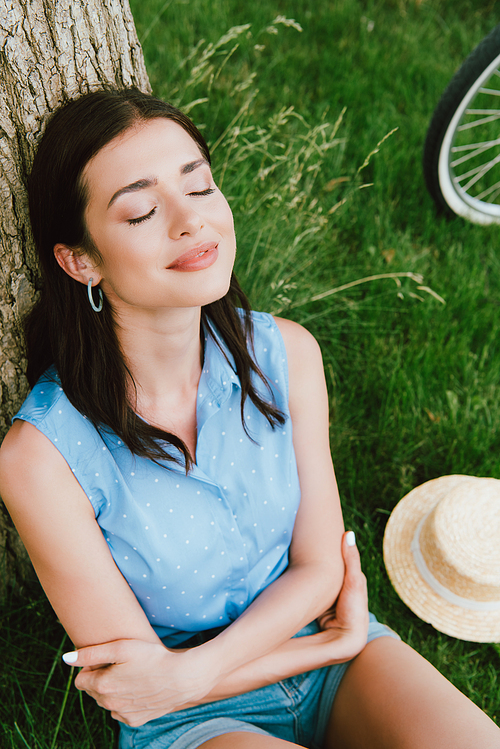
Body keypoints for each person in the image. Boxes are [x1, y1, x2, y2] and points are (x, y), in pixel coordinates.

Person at [0, 88, 498, 749]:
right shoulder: (40, 458)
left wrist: (324, 647)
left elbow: (318, 569)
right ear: (79, 260)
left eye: (200, 187)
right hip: (194, 718)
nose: (190, 221)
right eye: (143, 211)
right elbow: (138, 691)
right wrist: (326, 638)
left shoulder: (288, 353)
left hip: (325, 659)